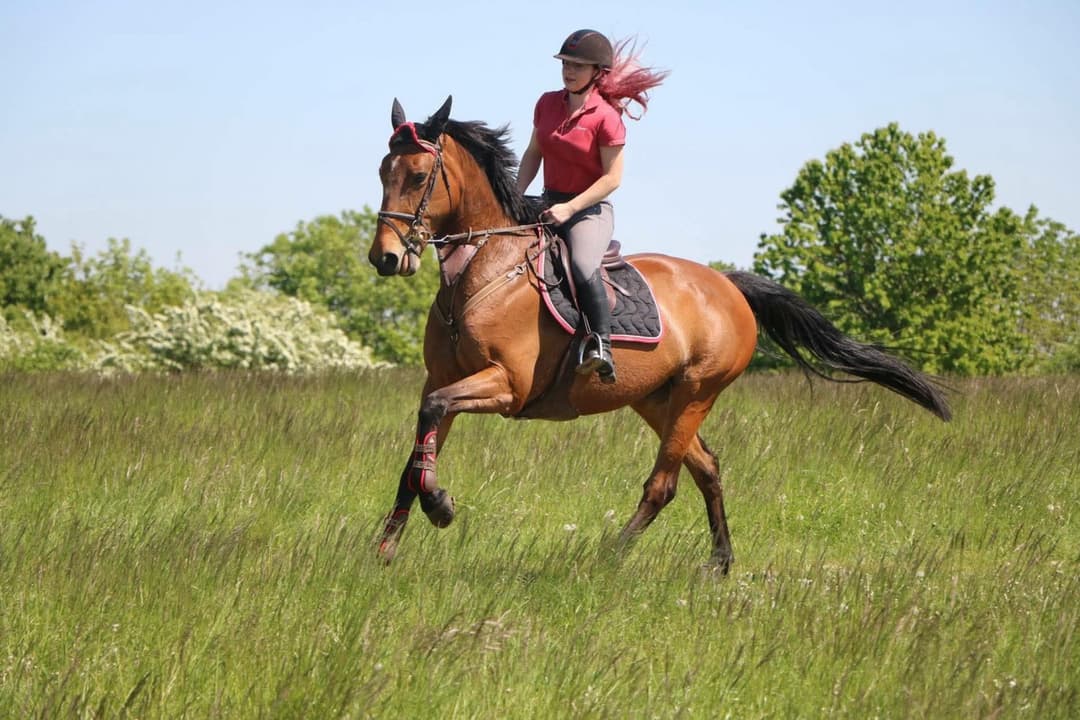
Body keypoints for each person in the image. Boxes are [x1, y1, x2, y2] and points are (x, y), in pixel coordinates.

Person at [516, 29, 668, 384]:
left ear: (598, 72)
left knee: (584, 266)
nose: (568, 71)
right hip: (547, 201)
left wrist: (570, 210)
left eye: (578, 66)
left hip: (589, 211)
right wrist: (515, 194)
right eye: (566, 63)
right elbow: (533, 153)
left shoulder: (606, 117)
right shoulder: (546, 103)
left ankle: (601, 347)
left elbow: (613, 178)